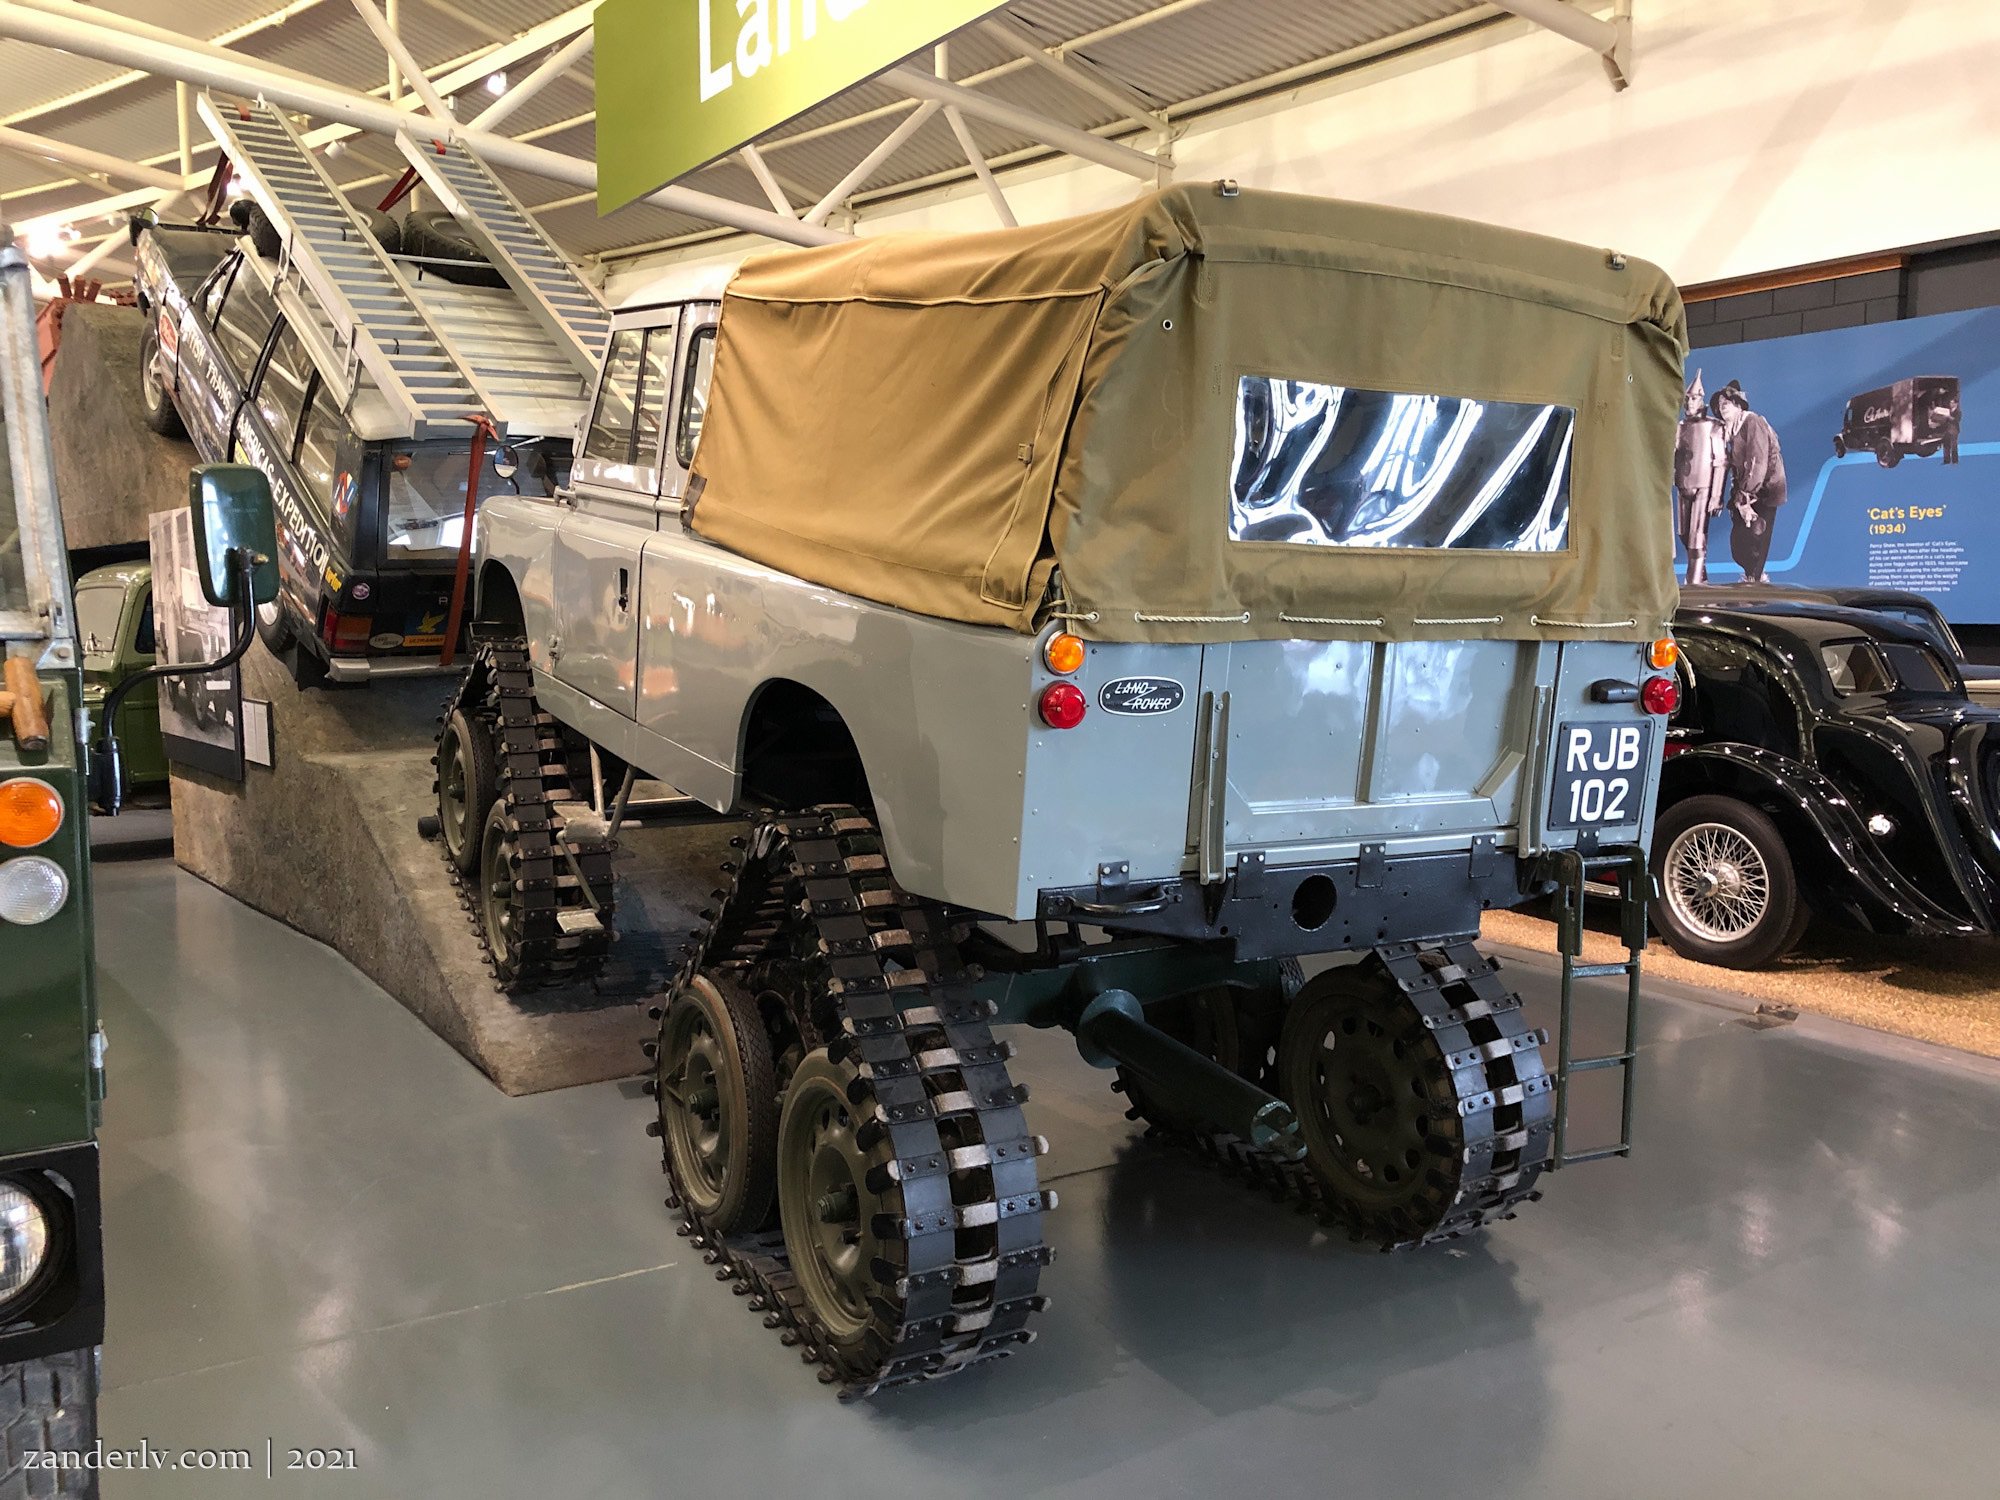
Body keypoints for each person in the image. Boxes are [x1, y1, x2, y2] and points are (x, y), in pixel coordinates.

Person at [1713, 379, 1787, 584]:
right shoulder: (1730, 431)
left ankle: (1755, 580)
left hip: (1766, 490)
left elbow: (1758, 461)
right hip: (1745, 491)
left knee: (1758, 537)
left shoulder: (1752, 422)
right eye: (1720, 404)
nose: (1723, 406)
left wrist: (1746, 497)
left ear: (1738, 404)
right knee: (1739, 543)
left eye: (1727, 402)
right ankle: (1751, 576)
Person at [1673, 371, 1727, 584]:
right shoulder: (1680, 427)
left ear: (1701, 399)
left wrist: (1716, 496)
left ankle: (1693, 583)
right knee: (1684, 535)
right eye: (1687, 398)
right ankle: (1700, 574)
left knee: (1696, 539)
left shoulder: (1714, 426)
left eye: (1693, 398)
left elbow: (1720, 462)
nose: (1689, 402)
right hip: (1683, 484)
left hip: (1703, 486)